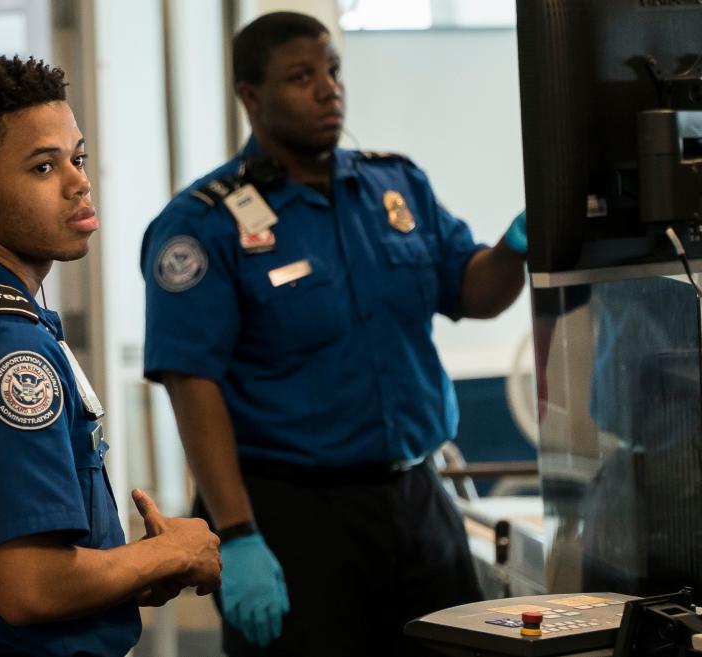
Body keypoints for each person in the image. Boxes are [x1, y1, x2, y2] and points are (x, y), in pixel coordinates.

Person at [141, 12, 528, 657]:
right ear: (251, 97)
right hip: (294, 518)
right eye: (301, 77)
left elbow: (471, 291)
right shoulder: (202, 225)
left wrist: (514, 249)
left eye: (333, 70)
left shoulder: (394, 186)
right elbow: (192, 382)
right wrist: (236, 533)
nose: (329, 90)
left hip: (417, 499)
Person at [0, 56, 222, 657]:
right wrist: (169, 550)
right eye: (43, 166)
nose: (78, 181)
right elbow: (28, 587)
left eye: (77, 158)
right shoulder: (3, 343)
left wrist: (129, 573)